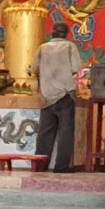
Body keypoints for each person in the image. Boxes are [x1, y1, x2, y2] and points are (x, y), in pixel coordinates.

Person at [35, 20, 85, 172]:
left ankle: (40, 166)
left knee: (45, 133)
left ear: (53, 33)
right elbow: (76, 68)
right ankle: (61, 167)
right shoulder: (69, 46)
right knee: (65, 132)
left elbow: (34, 68)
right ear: (66, 34)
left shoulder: (42, 48)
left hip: (46, 95)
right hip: (64, 95)